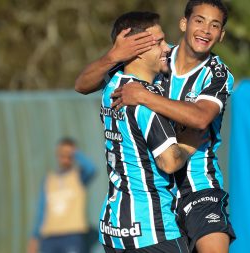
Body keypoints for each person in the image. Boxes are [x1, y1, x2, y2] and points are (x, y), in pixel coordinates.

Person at [75, 1, 236, 252]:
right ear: (184, 23)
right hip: (156, 189)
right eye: (199, 21)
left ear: (221, 35)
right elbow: (82, 85)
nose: (205, 30)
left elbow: (201, 118)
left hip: (197, 185)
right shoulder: (156, 57)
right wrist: (113, 56)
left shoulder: (217, 73)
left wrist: (145, 96)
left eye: (214, 25)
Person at [98, 11, 206, 253]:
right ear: (136, 50)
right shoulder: (145, 101)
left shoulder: (112, 85)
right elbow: (168, 162)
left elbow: (83, 83)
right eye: (158, 42)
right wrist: (191, 141)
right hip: (152, 232)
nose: (167, 47)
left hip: (114, 229)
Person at [27, 137, 96, 253]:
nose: (65, 158)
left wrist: (75, 153)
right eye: (62, 154)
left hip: (72, 235)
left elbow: (92, 169)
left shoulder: (79, 176)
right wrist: (34, 236)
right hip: (49, 237)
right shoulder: (49, 179)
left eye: (68, 154)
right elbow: (41, 210)